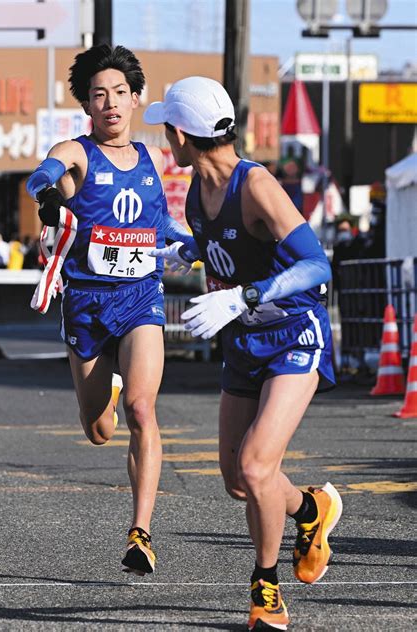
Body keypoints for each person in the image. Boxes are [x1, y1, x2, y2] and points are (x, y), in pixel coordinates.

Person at [144, 76, 342, 631]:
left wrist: (245, 294)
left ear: (181, 135)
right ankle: (311, 510)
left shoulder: (254, 184)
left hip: (292, 333)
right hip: (245, 340)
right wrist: (188, 250)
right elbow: (225, 249)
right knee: (237, 479)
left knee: (257, 466)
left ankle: (266, 588)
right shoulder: (196, 194)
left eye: (167, 130)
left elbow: (316, 265)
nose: (165, 141)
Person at [26, 45, 197, 576]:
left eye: (120, 93)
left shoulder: (150, 160)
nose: (111, 104)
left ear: (136, 98)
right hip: (86, 305)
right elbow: (40, 177)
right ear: (87, 105)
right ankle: (110, 390)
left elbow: (158, 226)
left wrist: (191, 243)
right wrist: (50, 198)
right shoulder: (76, 152)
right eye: (99, 95)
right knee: (99, 429)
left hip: (140, 298)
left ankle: (141, 534)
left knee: (144, 411)